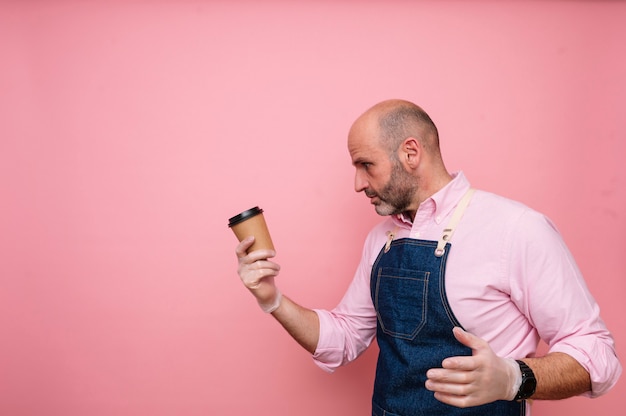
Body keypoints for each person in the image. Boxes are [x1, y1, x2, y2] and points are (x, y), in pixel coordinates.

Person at [234, 99, 621, 415]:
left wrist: (512, 379)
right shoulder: (382, 239)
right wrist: (273, 300)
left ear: (410, 153)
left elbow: (596, 354)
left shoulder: (516, 229)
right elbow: (345, 338)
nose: (357, 184)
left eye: (365, 165)